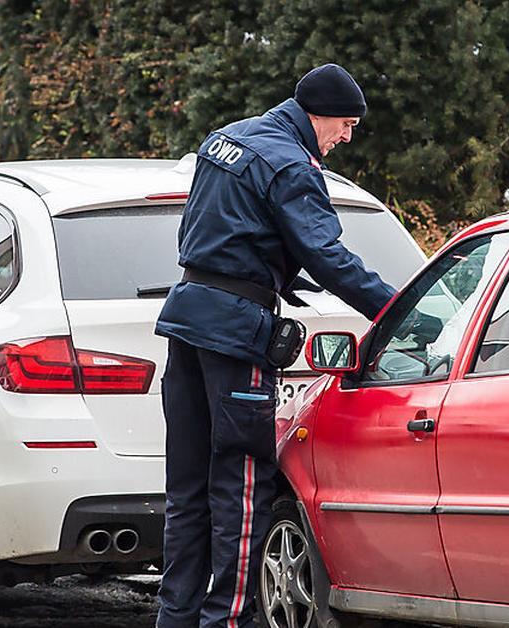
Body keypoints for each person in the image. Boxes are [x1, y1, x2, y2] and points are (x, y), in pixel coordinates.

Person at [155, 63, 397, 628]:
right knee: (239, 492)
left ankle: (174, 620)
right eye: (344, 124)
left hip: (188, 318)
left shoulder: (226, 139)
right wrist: (398, 312)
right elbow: (328, 256)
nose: (347, 136)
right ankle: (228, 622)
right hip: (237, 335)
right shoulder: (291, 164)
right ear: (317, 116)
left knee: (185, 494)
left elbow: (221, 233)